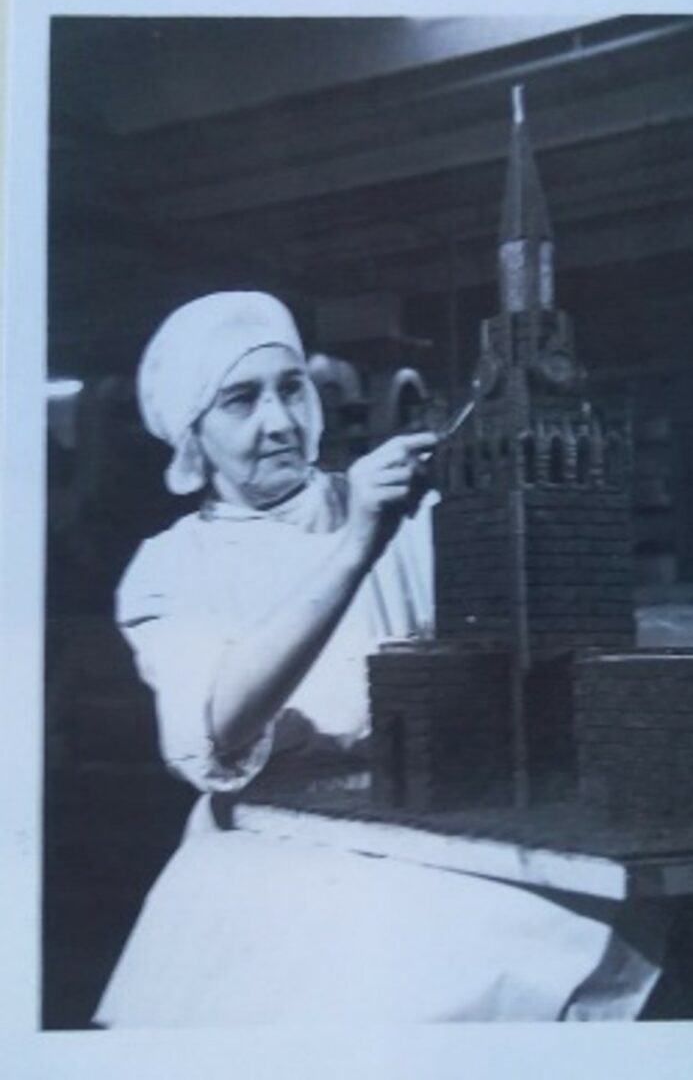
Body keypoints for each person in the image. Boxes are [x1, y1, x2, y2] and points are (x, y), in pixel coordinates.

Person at [94, 292, 660, 1026]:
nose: (281, 422)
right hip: (269, 851)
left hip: (431, 821)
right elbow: (216, 730)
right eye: (241, 400)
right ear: (192, 438)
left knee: (581, 922)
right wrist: (358, 537)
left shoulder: (406, 517)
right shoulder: (171, 568)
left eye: (291, 387)